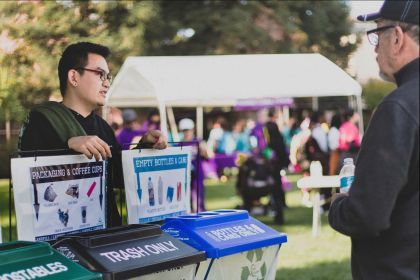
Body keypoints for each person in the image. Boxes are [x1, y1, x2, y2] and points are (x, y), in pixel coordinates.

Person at [19, 42, 167, 227]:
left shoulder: (103, 127)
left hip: (108, 235)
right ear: (74, 76)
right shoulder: (42, 120)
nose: (106, 83)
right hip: (64, 237)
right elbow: (26, 181)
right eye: (99, 74)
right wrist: (68, 144)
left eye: (108, 76)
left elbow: (118, 178)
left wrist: (145, 145)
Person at [329, 1, 419, 279]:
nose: (375, 47)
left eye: (377, 34)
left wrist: (338, 205)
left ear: (397, 37)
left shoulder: (400, 106)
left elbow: (367, 215)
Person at [264, 108, 289, 223]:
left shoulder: (266, 128)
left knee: (274, 189)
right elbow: (280, 146)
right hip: (275, 164)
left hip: (270, 164)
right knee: (276, 189)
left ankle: (277, 212)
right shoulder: (273, 128)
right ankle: (279, 212)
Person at [179, 118, 208, 212]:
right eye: (185, 131)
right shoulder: (179, 144)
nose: (187, 133)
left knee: (198, 196)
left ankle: (200, 213)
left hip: (198, 173)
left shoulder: (198, 142)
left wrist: (203, 149)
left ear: (192, 130)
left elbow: (207, 156)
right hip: (184, 175)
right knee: (185, 196)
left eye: (188, 130)